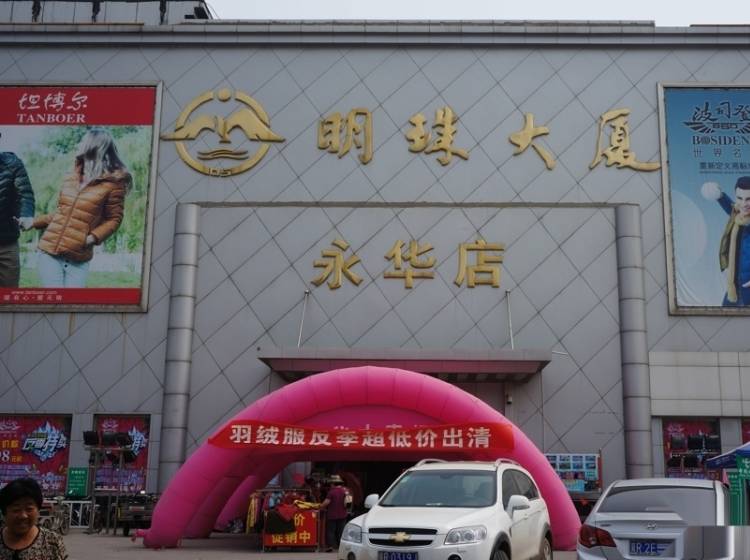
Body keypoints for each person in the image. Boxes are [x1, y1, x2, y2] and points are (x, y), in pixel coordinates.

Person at [32, 128, 131, 288]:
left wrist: (90, 239)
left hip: (78, 259)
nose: (78, 145)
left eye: (83, 142)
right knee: (54, 301)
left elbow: (114, 219)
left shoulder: (114, 184)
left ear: (93, 146)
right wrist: (33, 222)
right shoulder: (70, 177)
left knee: (72, 303)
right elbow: (62, 213)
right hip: (49, 253)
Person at [702, 177, 750, 306]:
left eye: (748, 199)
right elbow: (730, 206)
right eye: (740, 198)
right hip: (735, 286)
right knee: (725, 315)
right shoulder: (737, 216)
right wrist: (719, 195)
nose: (744, 204)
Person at [0, 477, 68, 560]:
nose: (23, 516)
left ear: (38, 510)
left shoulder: (52, 542)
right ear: (4, 512)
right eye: (16, 510)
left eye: (29, 509)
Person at [0, 133, 35, 288]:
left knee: (9, 293)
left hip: (6, 242)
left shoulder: (12, 164)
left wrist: (27, 215)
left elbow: (25, 194)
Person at [320, 474, 350, 552]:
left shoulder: (332, 492)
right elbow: (349, 502)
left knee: (331, 531)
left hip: (332, 515)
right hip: (343, 515)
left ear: (333, 483)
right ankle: (341, 547)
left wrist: (320, 506)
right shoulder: (345, 491)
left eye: (331, 483)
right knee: (341, 531)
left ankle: (330, 546)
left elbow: (326, 502)